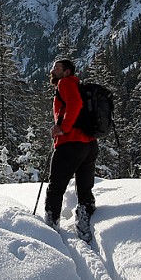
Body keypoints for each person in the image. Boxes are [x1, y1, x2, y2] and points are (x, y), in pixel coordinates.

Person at [44, 58, 98, 242]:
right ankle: (85, 226)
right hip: (89, 145)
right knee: (84, 189)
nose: (53, 71)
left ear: (67, 72)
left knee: (55, 188)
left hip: (70, 145)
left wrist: (63, 128)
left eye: (57, 68)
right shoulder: (77, 85)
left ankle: (50, 230)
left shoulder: (65, 83)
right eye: (53, 67)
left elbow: (75, 104)